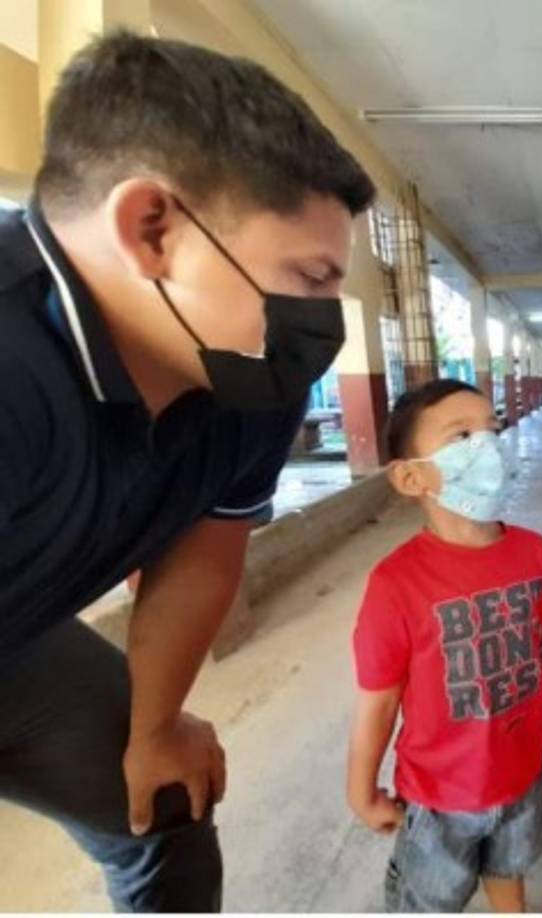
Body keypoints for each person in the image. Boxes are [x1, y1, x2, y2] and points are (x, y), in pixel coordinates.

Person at [0, 32, 373, 911]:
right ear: (153, 229)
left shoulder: (248, 377)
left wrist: (156, 725)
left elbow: (206, 551)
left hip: (19, 641)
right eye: (308, 278)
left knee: (165, 801)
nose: (321, 322)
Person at [346, 380, 542, 913]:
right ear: (411, 477)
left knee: (509, 864)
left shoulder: (536, 554)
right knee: (430, 898)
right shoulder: (395, 585)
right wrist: (361, 787)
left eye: (493, 429)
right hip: (438, 797)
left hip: (521, 773)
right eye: (462, 435)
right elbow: (380, 700)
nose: (488, 446)